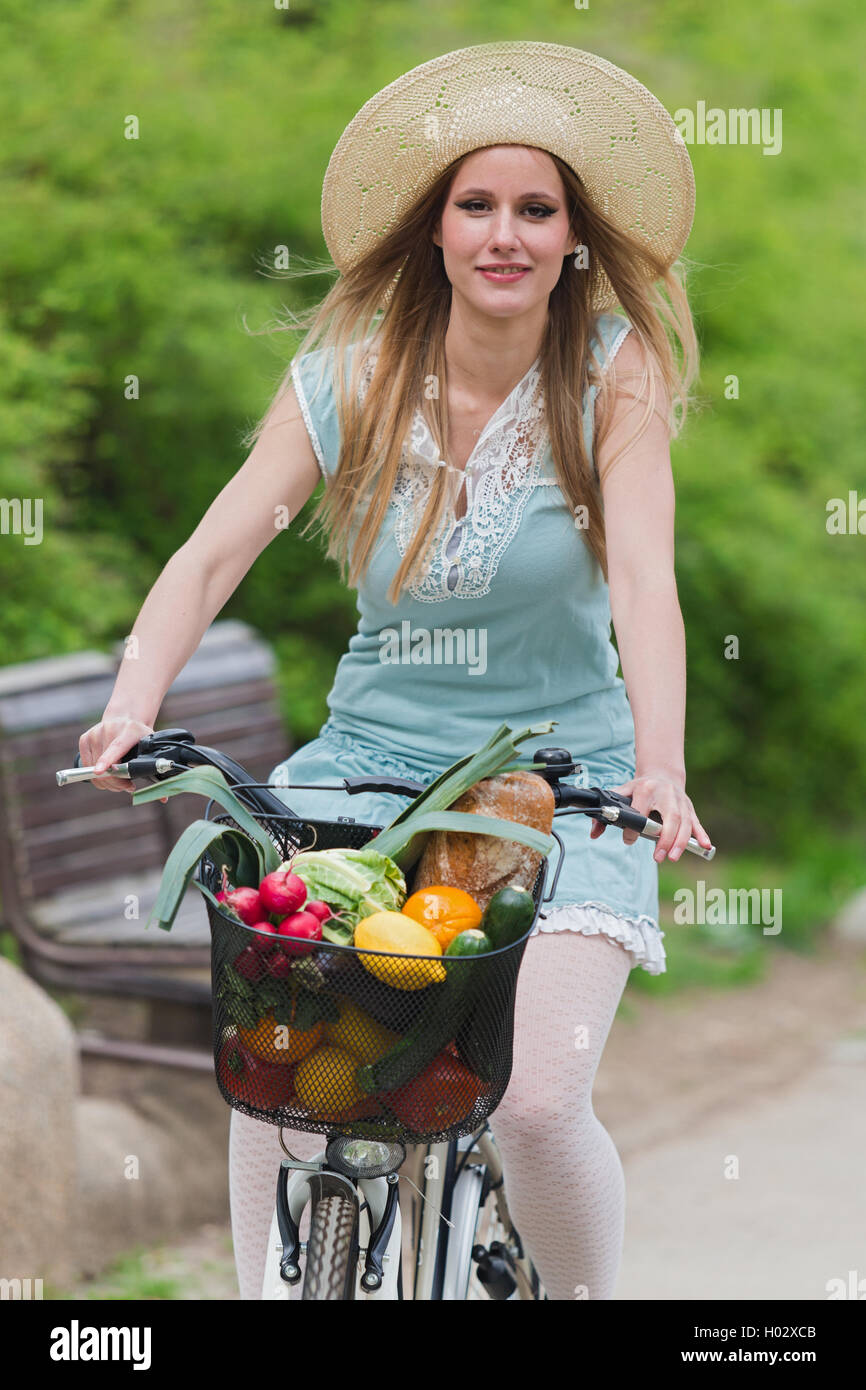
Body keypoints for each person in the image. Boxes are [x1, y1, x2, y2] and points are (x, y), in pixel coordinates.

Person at [79, 41, 712, 1300]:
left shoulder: (611, 374)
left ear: (571, 239)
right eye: (475, 204)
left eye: (535, 210)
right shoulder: (347, 379)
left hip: (565, 785)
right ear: (433, 226)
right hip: (367, 772)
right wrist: (129, 708)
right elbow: (210, 556)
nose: (504, 234)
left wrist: (659, 765)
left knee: (534, 1103)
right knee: (275, 1065)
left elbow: (645, 582)